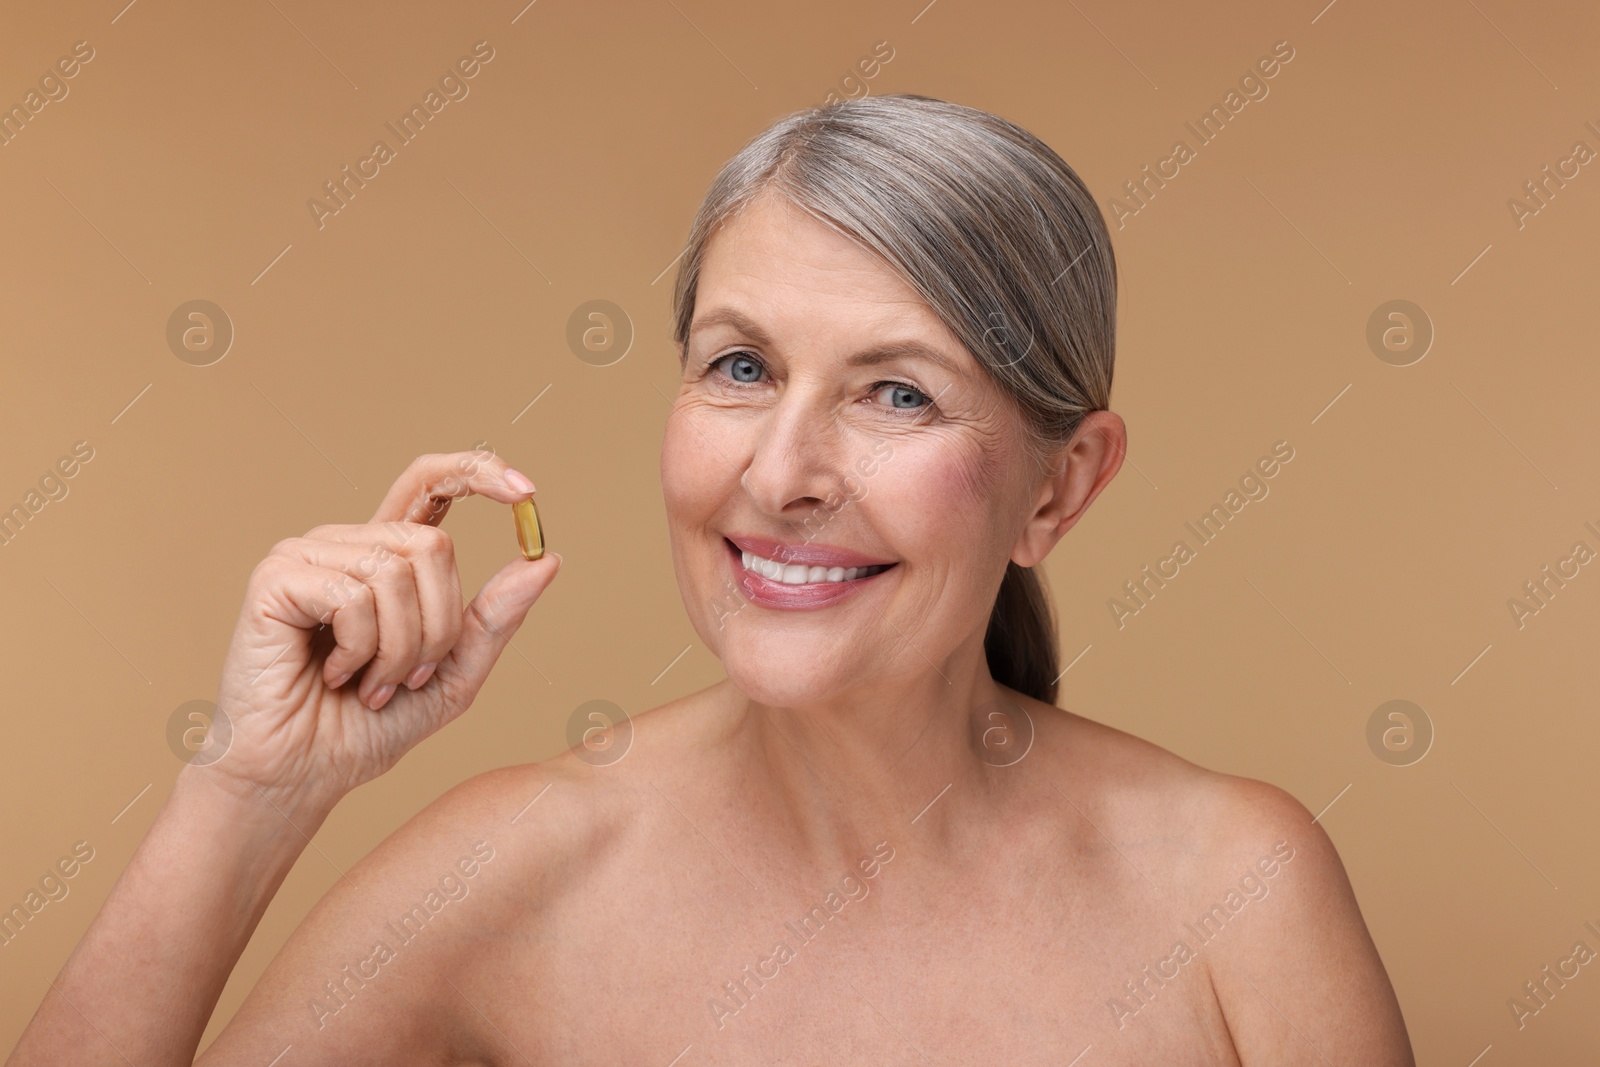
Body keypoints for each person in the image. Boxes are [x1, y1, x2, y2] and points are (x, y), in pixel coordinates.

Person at [8, 94, 1413, 1065]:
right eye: (740, 367)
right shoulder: (510, 876)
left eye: (898, 395)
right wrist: (255, 792)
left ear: (1060, 486)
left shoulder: (1238, 891)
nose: (784, 469)